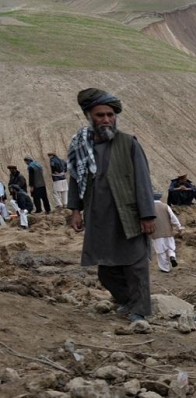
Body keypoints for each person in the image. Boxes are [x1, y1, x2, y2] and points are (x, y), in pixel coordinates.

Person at [67, 88, 156, 322]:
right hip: (98, 216)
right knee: (105, 269)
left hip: (128, 215)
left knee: (135, 265)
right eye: (100, 115)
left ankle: (140, 310)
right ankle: (126, 300)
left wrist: (147, 215)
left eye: (110, 114)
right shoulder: (80, 146)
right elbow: (75, 179)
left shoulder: (128, 143)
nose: (106, 119)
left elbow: (143, 180)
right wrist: (75, 211)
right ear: (88, 116)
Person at [151, 190, 183, 272]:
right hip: (168, 232)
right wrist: (178, 226)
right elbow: (173, 218)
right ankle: (172, 256)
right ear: (160, 197)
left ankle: (165, 268)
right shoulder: (165, 206)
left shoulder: (149, 208)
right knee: (170, 248)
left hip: (156, 233)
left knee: (161, 252)